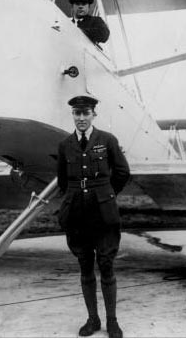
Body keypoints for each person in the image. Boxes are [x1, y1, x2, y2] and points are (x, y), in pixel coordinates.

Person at [57, 95, 130, 338]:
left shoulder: (107, 140)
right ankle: (92, 319)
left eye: (85, 113)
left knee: (106, 265)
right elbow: (62, 180)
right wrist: (75, 198)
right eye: (77, 113)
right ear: (73, 116)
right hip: (77, 214)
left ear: (93, 115)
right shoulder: (65, 145)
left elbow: (122, 172)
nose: (81, 118)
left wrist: (107, 194)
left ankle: (112, 321)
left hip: (103, 214)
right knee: (85, 266)